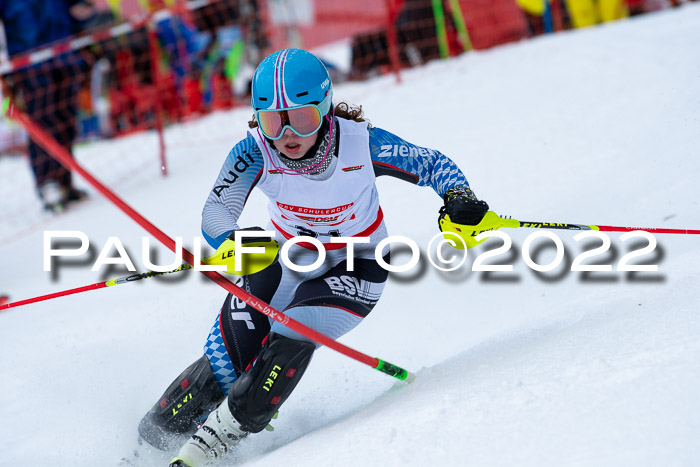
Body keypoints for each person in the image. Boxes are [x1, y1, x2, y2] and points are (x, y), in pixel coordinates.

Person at [137, 48, 490, 467]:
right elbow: (216, 211)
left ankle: (210, 446)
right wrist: (229, 241)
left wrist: (461, 201)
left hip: (357, 264)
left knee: (292, 333)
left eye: (301, 117)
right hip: (286, 259)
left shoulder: (360, 143)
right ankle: (142, 451)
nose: (287, 133)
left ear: (324, 109)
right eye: (272, 120)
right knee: (221, 370)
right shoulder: (252, 152)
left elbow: (432, 164)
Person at [0, 0, 96, 212]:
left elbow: (77, 11)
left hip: (65, 52)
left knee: (66, 119)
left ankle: (65, 180)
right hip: (29, 58)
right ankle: (47, 182)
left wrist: (82, 14)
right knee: (43, 119)